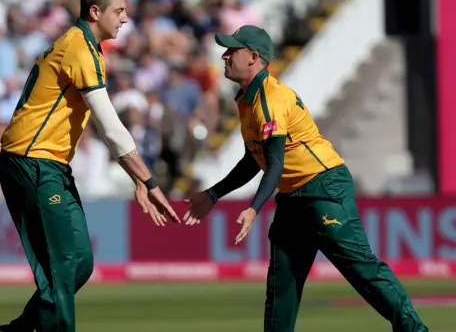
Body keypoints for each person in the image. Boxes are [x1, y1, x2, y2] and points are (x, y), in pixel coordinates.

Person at [183, 25, 429, 332]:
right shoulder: (247, 100)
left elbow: (274, 163)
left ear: (253, 58)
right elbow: (253, 159)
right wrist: (213, 194)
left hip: (324, 186)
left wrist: (253, 207)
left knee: (362, 270)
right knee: (281, 283)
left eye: (233, 50)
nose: (225, 55)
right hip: (292, 196)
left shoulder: (271, 99)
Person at [0, 0, 179, 332]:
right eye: (119, 11)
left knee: (80, 262)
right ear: (95, 12)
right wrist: (147, 180)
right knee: (64, 263)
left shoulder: (87, 48)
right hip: (31, 159)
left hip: (49, 163)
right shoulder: (79, 48)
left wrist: (136, 179)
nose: (126, 19)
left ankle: (22, 328)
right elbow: (110, 125)